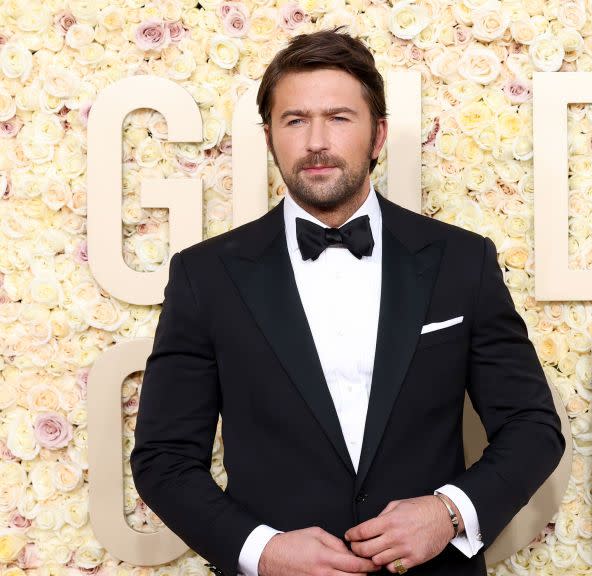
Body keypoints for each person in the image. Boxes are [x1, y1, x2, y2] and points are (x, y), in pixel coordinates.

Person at [129, 27, 565, 576]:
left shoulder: (461, 261)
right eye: (295, 121)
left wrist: (448, 511)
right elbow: (163, 459)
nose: (316, 141)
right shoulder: (205, 276)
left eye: (339, 118)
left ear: (378, 135)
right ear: (270, 138)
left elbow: (532, 427)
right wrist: (262, 550)